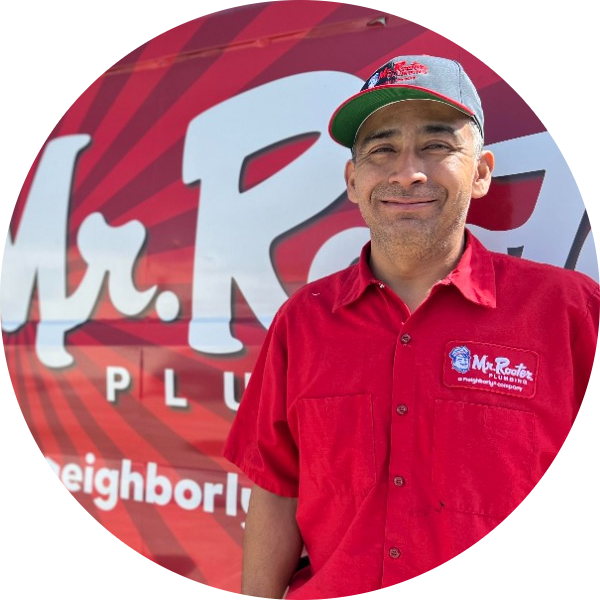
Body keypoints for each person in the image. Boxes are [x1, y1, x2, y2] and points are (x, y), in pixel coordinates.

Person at [223, 54, 600, 599]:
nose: (407, 172)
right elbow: (278, 493)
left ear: (481, 172)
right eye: (382, 150)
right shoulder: (302, 321)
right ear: (353, 181)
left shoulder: (570, 313)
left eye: (437, 145)